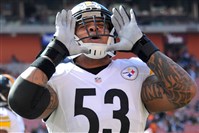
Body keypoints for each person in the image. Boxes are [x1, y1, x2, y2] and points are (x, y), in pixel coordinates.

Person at [8, 1, 197, 133]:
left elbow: (184, 93)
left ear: (112, 32)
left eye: (101, 25)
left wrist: (142, 45)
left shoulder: (136, 70)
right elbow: (20, 103)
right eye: (84, 25)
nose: (94, 29)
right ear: (69, 34)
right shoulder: (56, 76)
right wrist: (55, 49)